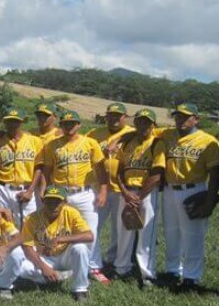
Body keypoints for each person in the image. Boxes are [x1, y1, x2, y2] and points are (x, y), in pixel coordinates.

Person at [158, 103, 219, 290]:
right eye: (177, 117)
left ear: (196, 119)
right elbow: (140, 129)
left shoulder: (208, 141)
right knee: (171, 232)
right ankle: (172, 270)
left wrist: (210, 200)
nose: (180, 120)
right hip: (169, 190)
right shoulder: (167, 134)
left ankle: (191, 277)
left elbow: (215, 173)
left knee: (193, 235)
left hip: (194, 189)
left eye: (185, 117)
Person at [43, 110, 109, 282]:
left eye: (72, 123)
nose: (69, 126)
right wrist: (44, 193)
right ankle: (69, 262)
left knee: (90, 230)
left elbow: (101, 169)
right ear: (61, 125)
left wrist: (103, 190)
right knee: (61, 229)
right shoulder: (52, 145)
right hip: (60, 194)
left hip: (84, 192)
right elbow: (46, 171)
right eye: (65, 123)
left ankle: (93, 267)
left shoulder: (90, 143)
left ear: (79, 125)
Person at [1, 185, 93, 302]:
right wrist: (44, 268)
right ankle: (57, 276)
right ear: (43, 201)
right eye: (49, 201)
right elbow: (27, 247)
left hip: (65, 255)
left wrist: (59, 239)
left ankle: (80, 289)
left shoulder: (71, 213)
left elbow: (89, 236)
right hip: (45, 258)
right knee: (21, 267)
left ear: (64, 202)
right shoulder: (31, 218)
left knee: (81, 248)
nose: (53, 206)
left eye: (57, 202)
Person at [113, 109, 165, 286]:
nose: (143, 125)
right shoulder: (128, 143)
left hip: (147, 194)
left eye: (147, 122)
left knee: (146, 234)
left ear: (153, 125)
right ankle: (121, 268)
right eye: (140, 121)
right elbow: (118, 171)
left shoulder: (157, 143)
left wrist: (138, 197)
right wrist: (125, 193)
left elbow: (157, 174)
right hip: (127, 192)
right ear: (134, 123)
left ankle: (147, 274)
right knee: (124, 230)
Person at [87, 103, 134, 270]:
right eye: (111, 115)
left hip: (122, 189)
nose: (114, 118)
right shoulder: (95, 133)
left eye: (118, 115)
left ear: (125, 117)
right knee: (92, 225)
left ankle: (113, 259)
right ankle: (90, 258)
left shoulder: (131, 133)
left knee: (119, 228)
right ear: (106, 116)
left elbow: (148, 132)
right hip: (98, 187)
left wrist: (118, 139)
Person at [0, 108, 44, 228]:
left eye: (15, 121)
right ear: (4, 122)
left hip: (25, 189)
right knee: (3, 226)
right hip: (2, 188)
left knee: (29, 227)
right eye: (9, 121)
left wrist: (30, 191)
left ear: (22, 122)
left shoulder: (35, 141)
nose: (12, 125)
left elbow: (38, 168)